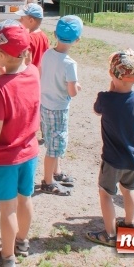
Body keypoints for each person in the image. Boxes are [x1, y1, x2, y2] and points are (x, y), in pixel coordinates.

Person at [0, 21, 40, 266]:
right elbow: (19, 87)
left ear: (1, 55)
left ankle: (7, 257)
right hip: (29, 152)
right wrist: (6, 72)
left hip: (5, 159)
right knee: (25, 199)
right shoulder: (33, 73)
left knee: (7, 209)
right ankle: (22, 242)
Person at [85, 49, 134, 248]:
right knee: (128, 190)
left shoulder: (105, 98)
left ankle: (110, 234)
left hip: (112, 160)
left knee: (106, 194)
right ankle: (129, 224)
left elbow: (96, 111)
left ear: (112, 74)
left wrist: (111, 87)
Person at [39, 15, 83, 195]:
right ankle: (48, 181)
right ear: (77, 40)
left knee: (51, 140)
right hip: (58, 108)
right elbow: (72, 92)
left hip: (45, 105)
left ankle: (56, 172)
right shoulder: (70, 64)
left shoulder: (47, 54)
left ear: (55, 34)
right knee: (54, 146)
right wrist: (76, 87)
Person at [13, 3, 50, 70]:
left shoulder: (27, 38)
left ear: (31, 21)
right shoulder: (44, 37)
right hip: (40, 73)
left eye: (22, 18)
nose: (19, 20)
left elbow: (27, 61)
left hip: (29, 73)